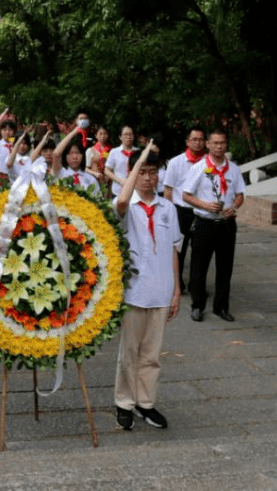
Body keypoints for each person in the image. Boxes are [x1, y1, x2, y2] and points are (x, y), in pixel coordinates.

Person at [113, 142, 181, 431]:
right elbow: (121, 203)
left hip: (161, 290)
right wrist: (138, 159)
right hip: (134, 290)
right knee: (129, 351)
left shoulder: (168, 208)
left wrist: (176, 289)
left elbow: (174, 250)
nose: (149, 178)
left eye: (153, 172)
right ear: (133, 175)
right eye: (143, 172)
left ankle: (146, 402)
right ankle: (124, 402)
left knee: (152, 354)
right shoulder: (126, 207)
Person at [181, 130, 245, 323]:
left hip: (226, 224)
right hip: (204, 223)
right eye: (215, 143)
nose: (219, 147)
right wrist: (205, 205)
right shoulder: (199, 168)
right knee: (199, 267)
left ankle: (221, 306)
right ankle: (197, 306)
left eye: (222, 143)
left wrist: (234, 207)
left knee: (225, 267)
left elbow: (240, 194)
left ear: (226, 145)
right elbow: (186, 195)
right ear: (208, 144)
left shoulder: (233, 169)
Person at [163, 126, 207, 293]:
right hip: (182, 212)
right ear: (187, 142)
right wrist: (169, 213)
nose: (197, 142)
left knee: (200, 252)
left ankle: (196, 286)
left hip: (202, 212)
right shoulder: (176, 162)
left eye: (201, 139)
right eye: (194, 139)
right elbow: (168, 190)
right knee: (178, 250)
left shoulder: (209, 163)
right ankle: (176, 283)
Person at [105, 125, 138, 198]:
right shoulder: (114, 152)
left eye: (131, 134)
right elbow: (107, 170)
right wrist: (120, 181)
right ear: (120, 137)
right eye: (126, 134)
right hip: (118, 190)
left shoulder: (138, 152)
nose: (128, 137)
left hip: (135, 191)